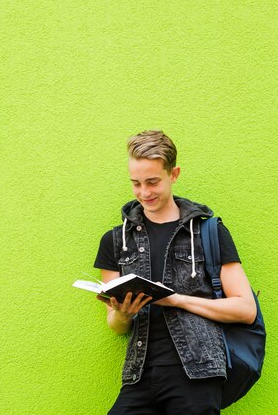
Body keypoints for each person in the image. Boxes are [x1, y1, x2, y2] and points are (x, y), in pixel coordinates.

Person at [94, 130, 256, 414]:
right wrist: (122, 314)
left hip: (198, 373)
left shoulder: (208, 231)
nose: (144, 193)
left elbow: (245, 309)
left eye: (153, 182)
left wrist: (177, 299)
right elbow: (116, 326)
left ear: (174, 173)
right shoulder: (115, 240)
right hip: (139, 373)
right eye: (136, 183)